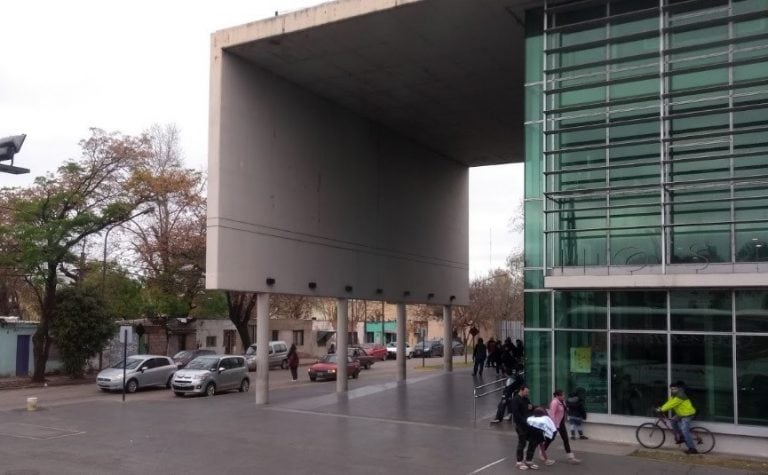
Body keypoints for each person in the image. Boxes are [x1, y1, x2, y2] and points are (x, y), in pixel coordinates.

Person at [540, 389, 581, 464]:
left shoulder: (562, 402)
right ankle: (542, 452)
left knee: (565, 439)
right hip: (555, 424)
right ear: (557, 396)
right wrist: (554, 426)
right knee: (549, 439)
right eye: (562, 395)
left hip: (561, 423)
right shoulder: (554, 402)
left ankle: (570, 457)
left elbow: (564, 410)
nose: (564, 396)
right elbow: (552, 414)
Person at [656, 381, 698, 454]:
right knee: (673, 420)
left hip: (687, 414)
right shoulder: (674, 395)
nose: (673, 390)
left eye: (674, 389)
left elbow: (672, 404)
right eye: (671, 389)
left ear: (678, 388)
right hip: (681, 414)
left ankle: (692, 449)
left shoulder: (680, 396)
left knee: (685, 430)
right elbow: (669, 402)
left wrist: (661, 409)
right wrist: (661, 407)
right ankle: (681, 436)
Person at [509, 385, 538, 470]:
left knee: (533, 441)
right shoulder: (515, 400)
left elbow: (530, 407)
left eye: (528, 392)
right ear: (521, 390)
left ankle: (529, 460)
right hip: (521, 425)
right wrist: (524, 422)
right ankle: (519, 462)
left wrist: (532, 407)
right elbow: (516, 413)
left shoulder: (526, 399)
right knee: (522, 442)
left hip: (529, 424)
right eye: (526, 391)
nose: (527, 393)